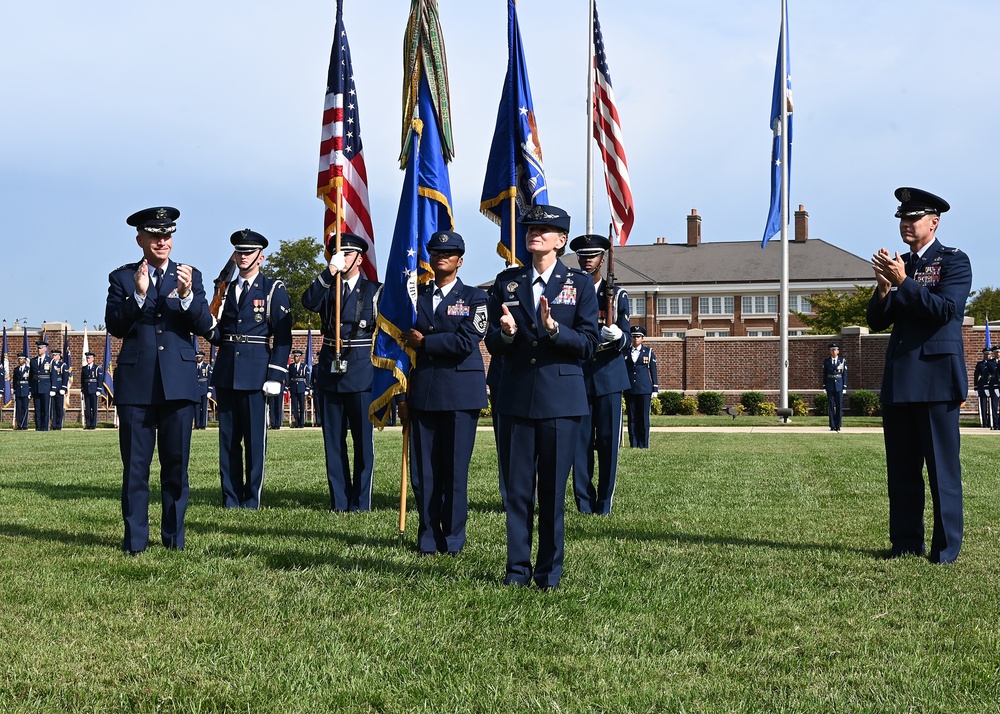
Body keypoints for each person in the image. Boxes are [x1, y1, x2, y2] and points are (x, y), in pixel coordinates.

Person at [485, 204, 599, 590]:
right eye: (532, 227)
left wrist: (554, 329)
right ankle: (516, 571)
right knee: (517, 491)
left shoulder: (580, 285)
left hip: (560, 402)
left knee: (551, 492)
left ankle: (548, 573)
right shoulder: (507, 283)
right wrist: (505, 333)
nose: (535, 233)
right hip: (516, 399)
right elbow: (492, 344)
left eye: (545, 229)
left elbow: (588, 344)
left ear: (560, 240)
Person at [867, 187, 972, 564]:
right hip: (900, 379)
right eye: (902, 219)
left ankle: (945, 551)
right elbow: (878, 321)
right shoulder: (902, 267)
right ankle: (905, 544)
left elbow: (945, 310)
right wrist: (883, 289)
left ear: (934, 222)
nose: (906, 224)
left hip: (936, 379)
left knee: (943, 471)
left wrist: (902, 283)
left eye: (914, 218)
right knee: (902, 472)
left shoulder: (953, 262)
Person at [106, 206, 214, 554]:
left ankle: (174, 539)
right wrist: (138, 295)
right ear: (141, 239)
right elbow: (116, 326)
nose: (162, 241)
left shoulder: (189, 276)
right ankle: (136, 542)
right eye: (154, 236)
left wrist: (185, 297)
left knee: (176, 468)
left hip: (178, 385)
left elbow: (203, 325)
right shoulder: (122, 278)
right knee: (135, 470)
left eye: (167, 235)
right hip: (137, 386)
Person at [396, 231, 488, 556]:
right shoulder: (414, 296)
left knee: (453, 472)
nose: (441, 257)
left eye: (449, 253)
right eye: (436, 252)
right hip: (424, 393)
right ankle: (428, 538)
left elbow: (466, 342)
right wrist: (401, 395)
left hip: (460, 394)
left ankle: (452, 541)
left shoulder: (477, 298)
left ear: (460, 261)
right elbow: (399, 345)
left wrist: (425, 343)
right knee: (423, 474)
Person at [205, 229, 292, 509]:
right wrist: (208, 323)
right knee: (228, 440)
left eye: (249, 252)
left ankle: (251, 498)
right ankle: (230, 497)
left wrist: (276, 374)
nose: (243, 257)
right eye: (239, 252)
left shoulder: (272, 289)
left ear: (260, 257)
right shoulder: (226, 288)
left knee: (255, 441)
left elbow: (283, 337)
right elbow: (219, 336)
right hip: (228, 369)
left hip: (257, 372)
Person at [302, 233, 381, 512]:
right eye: (338, 254)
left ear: (359, 258)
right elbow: (308, 302)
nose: (342, 258)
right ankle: (339, 500)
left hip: (360, 370)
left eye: (347, 254)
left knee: (362, 442)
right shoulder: (328, 287)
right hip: (330, 370)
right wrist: (329, 272)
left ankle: (361, 501)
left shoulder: (374, 290)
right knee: (333, 441)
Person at [570, 233, 630, 515]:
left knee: (608, 444)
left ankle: (604, 503)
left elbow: (628, 338)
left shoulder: (617, 295)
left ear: (602, 260)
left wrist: (618, 336)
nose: (586, 260)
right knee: (578, 444)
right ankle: (583, 503)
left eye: (592, 256)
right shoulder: (569, 292)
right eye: (582, 256)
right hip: (578, 375)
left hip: (608, 374)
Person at [624, 326, 658, 448]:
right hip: (630, 389)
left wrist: (655, 388)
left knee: (643, 418)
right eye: (633, 336)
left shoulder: (648, 352)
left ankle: (644, 444)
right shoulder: (625, 352)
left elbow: (653, 371)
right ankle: (633, 443)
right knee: (632, 418)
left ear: (642, 338)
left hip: (644, 389)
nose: (635, 339)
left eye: (638, 336)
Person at [822, 342, 847, 431]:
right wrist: (824, 386)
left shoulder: (842, 361)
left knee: (839, 406)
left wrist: (844, 386)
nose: (833, 351)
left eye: (835, 350)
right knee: (831, 406)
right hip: (830, 385)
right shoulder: (826, 361)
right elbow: (824, 374)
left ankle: (838, 425)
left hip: (839, 385)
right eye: (832, 350)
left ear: (838, 351)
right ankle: (832, 425)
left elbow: (844, 374)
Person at [29, 339, 52, 431]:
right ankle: (38, 427)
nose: (39, 350)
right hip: (36, 388)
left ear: (45, 349)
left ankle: (45, 427)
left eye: (41, 348)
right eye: (38, 348)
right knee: (37, 409)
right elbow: (31, 376)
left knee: (45, 409)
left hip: (46, 387)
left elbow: (52, 375)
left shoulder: (50, 360)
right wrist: (30, 388)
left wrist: (53, 388)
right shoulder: (33, 361)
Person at [48, 349, 69, 430]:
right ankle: (53, 424)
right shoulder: (50, 364)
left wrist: (64, 387)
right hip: (52, 390)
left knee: (59, 408)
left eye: (55, 355)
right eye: (53, 355)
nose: (54, 357)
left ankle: (59, 424)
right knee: (53, 408)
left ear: (59, 356)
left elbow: (65, 377)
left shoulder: (62, 365)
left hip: (60, 389)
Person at [81, 351, 103, 429]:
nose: (88, 359)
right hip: (87, 390)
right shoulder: (84, 368)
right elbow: (83, 380)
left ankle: (93, 424)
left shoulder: (97, 368)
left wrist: (99, 389)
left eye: (89, 358)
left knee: (94, 408)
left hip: (94, 390)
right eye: (87, 358)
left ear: (93, 359)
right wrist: (83, 389)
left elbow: (100, 379)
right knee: (87, 408)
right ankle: (88, 423)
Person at [288, 350, 309, 428]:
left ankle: (302, 422)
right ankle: (296, 422)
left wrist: (307, 388)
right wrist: (288, 386)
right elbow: (289, 377)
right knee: (295, 406)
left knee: (302, 405)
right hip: (293, 387)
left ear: (300, 357)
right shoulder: (291, 366)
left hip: (301, 387)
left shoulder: (304, 366)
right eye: (295, 356)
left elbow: (307, 378)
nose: (295, 358)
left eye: (297, 356)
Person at [973, 347, 992, 428]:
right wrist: (976, 386)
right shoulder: (980, 364)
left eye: (989, 354)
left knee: (992, 404)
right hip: (982, 385)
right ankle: (984, 421)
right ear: (984, 355)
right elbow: (976, 375)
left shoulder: (994, 363)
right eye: (986, 354)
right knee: (983, 404)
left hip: (992, 384)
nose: (988, 356)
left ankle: (992, 421)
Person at [12, 353, 31, 430]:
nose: (20, 360)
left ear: (25, 360)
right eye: (19, 359)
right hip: (18, 391)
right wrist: (14, 391)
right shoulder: (16, 370)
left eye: (22, 359)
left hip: (26, 390)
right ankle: (19, 425)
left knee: (25, 408)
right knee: (18, 408)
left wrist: (30, 391)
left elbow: (30, 381)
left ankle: (25, 424)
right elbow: (14, 381)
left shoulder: (28, 369)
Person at [194, 351, 210, 429]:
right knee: (196, 407)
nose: (198, 358)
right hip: (196, 389)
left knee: (204, 407)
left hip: (204, 387)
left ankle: (203, 424)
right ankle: (197, 424)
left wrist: (209, 390)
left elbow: (209, 378)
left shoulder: (206, 366)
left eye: (199, 357)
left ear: (203, 358)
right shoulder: (193, 366)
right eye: (197, 357)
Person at [988, 346, 1000, 430]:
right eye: (996, 352)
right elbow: (987, 375)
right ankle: (996, 424)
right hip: (994, 385)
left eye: (999, 352)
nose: (998, 353)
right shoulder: (990, 362)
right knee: (994, 405)